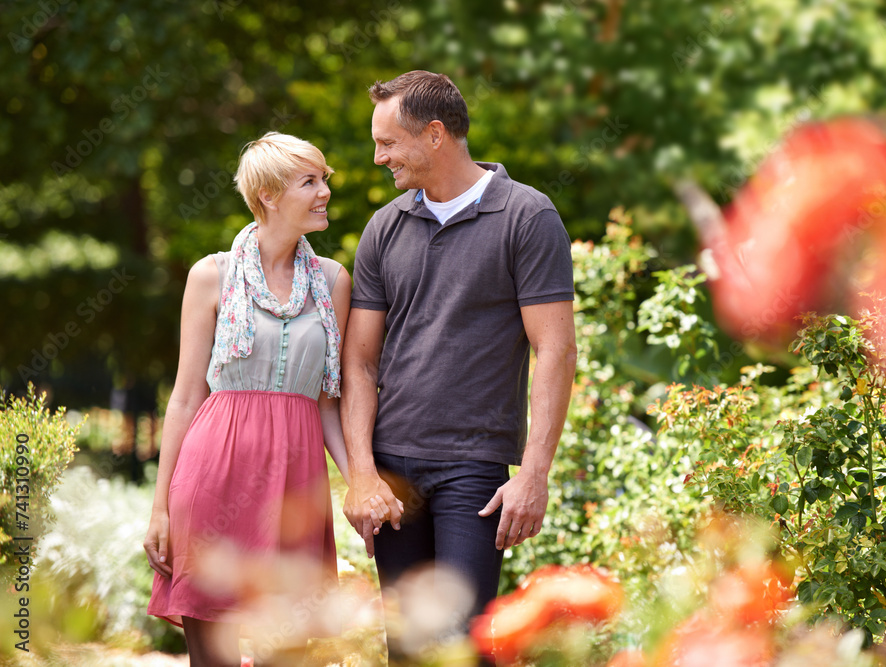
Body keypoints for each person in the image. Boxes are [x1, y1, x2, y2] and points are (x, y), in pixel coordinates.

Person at [340, 70, 577, 656]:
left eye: (388, 143)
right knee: (410, 648)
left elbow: (555, 349)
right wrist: (363, 475)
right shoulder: (384, 227)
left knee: (466, 644)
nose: (378, 158)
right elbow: (359, 364)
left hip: (473, 468)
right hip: (393, 475)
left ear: (436, 134)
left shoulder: (527, 217)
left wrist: (534, 472)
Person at [143, 132, 356, 666]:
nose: (325, 191)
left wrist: (363, 485)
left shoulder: (333, 281)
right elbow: (186, 398)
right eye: (310, 181)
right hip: (213, 477)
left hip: (296, 488)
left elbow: (329, 403)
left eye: (324, 178)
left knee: (286, 654)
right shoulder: (211, 275)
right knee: (211, 657)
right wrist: (160, 508)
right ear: (267, 195)